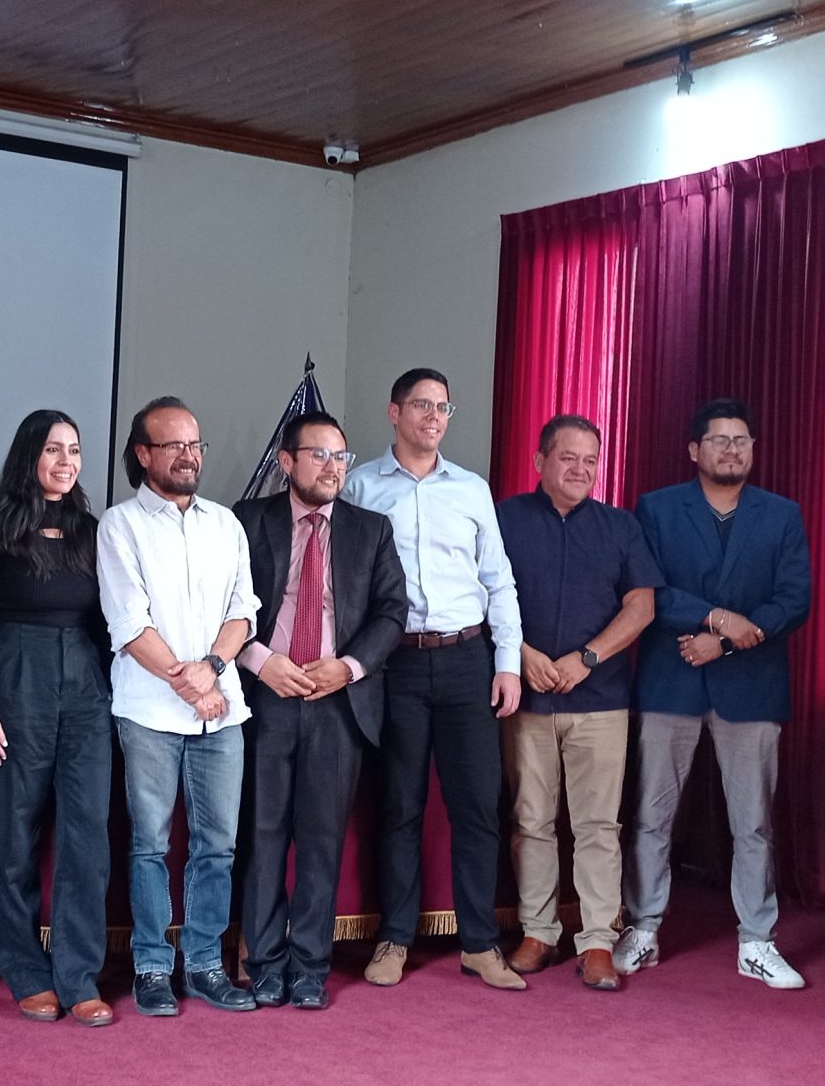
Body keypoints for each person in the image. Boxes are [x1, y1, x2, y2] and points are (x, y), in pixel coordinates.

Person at [342, 368, 528, 991]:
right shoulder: (361, 487)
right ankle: (394, 937)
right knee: (400, 805)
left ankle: (480, 944)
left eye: (443, 407)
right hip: (394, 663)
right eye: (421, 405)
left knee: (477, 806)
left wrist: (507, 663)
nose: (433, 416)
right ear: (394, 412)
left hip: (467, 661)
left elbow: (498, 580)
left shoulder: (471, 490)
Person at [626, 398, 811, 990]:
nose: (732, 450)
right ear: (694, 450)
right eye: (720, 440)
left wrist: (725, 642)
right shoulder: (657, 508)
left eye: (741, 441)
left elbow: (794, 599)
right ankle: (642, 928)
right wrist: (715, 617)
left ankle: (757, 941)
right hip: (670, 680)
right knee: (652, 817)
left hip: (751, 686)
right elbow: (648, 590)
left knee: (752, 823)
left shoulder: (781, 514)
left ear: (752, 449)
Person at [230, 411, 408, 1012]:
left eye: (341, 457)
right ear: (287, 462)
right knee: (263, 835)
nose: (333, 468)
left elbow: (392, 612)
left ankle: (309, 967)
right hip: (266, 698)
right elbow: (220, 604)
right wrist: (259, 661)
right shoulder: (246, 521)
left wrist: (350, 667)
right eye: (319, 455)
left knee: (321, 840)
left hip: (338, 704)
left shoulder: (371, 530)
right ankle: (264, 963)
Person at [97, 397, 261, 1017]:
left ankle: (204, 963)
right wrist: (191, 683)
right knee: (149, 843)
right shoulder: (120, 525)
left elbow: (243, 610)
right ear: (143, 454)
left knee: (217, 845)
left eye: (195, 445)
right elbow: (128, 624)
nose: (190, 456)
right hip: (148, 711)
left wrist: (212, 669)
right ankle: (149, 966)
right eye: (174, 446)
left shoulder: (226, 524)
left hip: (223, 709)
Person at [0, 410, 116, 1028]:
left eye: (73, 450)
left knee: (87, 832)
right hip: (14, 675)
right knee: (15, 829)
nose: (66, 462)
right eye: (53, 449)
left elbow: (105, 622)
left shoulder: (92, 530)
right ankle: (25, 971)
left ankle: (79, 976)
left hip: (84, 682)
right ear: (29, 455)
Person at [495, 415, 660, 991]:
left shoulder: (620, 527)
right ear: (539, 461)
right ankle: (538, 931)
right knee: (531, 821)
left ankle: (596, 942)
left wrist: (587, 658)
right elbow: (480, 593)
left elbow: (641, 607)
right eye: (568, 458)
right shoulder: (505, 519)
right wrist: (521, 654)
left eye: (590, 460)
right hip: (526, 698)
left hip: (601, 700)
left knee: (597, 826)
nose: (580, 470)